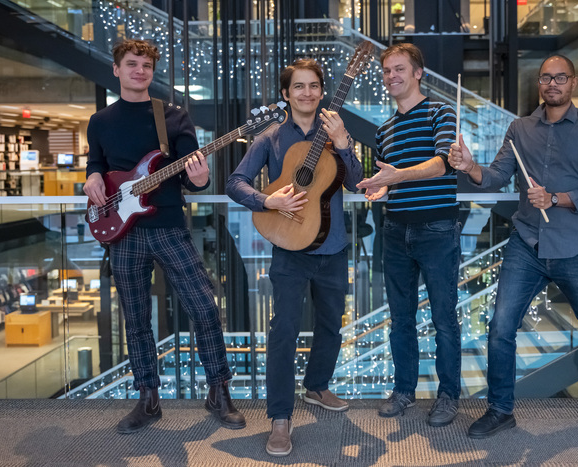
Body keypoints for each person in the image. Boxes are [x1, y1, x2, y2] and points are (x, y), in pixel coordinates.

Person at [448, 54, 578, 439]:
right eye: (546, 78)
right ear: (540, 84)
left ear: (573, 83)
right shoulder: (520, 128)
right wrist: (470, 167)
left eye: (560, 77)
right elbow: (498, 175)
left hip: (576, 246)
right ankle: (501, 409)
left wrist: (556, 199)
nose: (553, 84)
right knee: (500, 327)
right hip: (527, 243)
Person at [84, 39, 245, 434]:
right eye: (132, 64)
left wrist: (201, 177)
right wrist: (90, 177)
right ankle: (148, 398)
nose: (140, 70)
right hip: (122, 233)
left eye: (146, 65)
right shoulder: (100, 121)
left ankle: (218, 391)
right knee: (136, 319)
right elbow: (97, 163)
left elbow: (196, 175)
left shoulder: (172, 117)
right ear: (117, 69)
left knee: (205, 308)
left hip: (169, 226)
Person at [226, 58, 363, 457]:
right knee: (283, 333)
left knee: (331, 327)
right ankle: (281, 418)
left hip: (333, 247)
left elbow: (356, 183)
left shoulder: (337, 131)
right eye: (298, 87)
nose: (307, 93)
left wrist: (344, 145)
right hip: (288, 249)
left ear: (323, 91)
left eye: (314, 85)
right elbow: (235, 182)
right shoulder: (270, 138)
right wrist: (267, 199)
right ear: (286, 94)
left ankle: (318, 387)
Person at [356, 43, 462, 427]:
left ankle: (449, 396)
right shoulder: (383, 130)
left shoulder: (440, 112)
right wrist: (380, 188)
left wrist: (397, 175)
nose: (391, 77)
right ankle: (404, 391)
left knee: (443, 319)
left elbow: (442, 164)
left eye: (399, 69)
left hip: (437, 229)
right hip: (395, 230)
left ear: (419, 73)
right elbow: (390, 181)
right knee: (400, 318)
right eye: (386, 71)